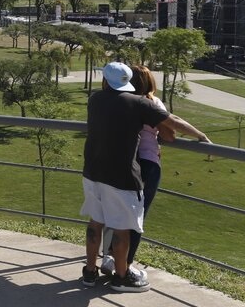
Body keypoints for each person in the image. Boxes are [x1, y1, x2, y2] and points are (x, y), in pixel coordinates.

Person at [80, 62, 211, 292]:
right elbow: (173, 124)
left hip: (93, 172)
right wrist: (201, 136)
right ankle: (122, 278)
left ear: (105, 80)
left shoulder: (95, 99)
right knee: (123, 228)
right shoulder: (139, 103)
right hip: (121, 176)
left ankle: (89, 272)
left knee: (95, 222)